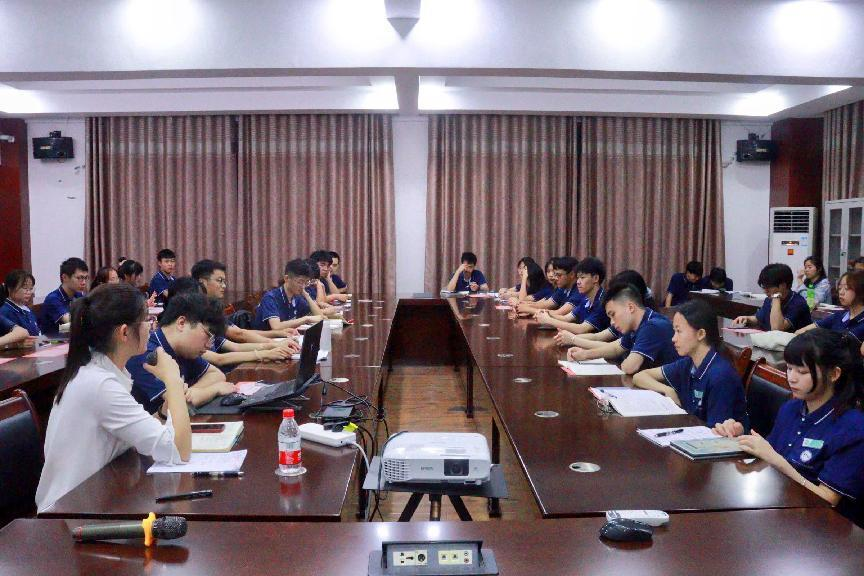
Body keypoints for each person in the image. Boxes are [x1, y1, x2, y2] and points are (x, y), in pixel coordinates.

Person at [35, 283, 191, 513]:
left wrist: (163, 411)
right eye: (146, 320)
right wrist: (173, 381)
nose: (152, 325)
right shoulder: (99, 384)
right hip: (68, 514)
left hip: (97, 498)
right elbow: (180, 452)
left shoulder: (101, 371)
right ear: (124, 332)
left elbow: (135, 433)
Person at [714, 329, 864, 516]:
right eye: (789, 368)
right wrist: (739, 437)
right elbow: (768, 457)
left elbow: (828, 500)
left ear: (834, 374)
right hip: (780, 505)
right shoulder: (791, 408)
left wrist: (776, 461)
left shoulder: (853, 428)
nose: (792, 378)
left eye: (802, 372)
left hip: (821, 523)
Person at [632, 300, 748, 427]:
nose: (673, 338)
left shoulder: (720, 376)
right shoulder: (688, 364)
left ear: (701, 334)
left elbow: (718, 432)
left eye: (679, 331)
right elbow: (640, 377)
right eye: (674, 331)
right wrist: (667, 390)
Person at [127, 292, 234, 414]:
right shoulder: (146, 353)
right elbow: (176, 406)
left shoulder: (184, 350)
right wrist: (214, 390)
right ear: (181, 323)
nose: (209, 345)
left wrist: (191, 394)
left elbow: (217, 374)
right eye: (208, 335)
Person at [167, 277, 297, 371]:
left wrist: (272, 346)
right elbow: (219, 358)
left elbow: (235, 347)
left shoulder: (206, 320)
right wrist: (265, 352)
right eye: (219, 281)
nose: (224, 285)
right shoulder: (184, 336)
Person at [566, 282, 678, 374]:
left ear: (630, 307)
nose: (612, 322)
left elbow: (629, 367)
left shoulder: (652, 326)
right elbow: (615, 348)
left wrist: (625, 360)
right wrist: (585, 354)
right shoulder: (636, 324)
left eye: (613, 314)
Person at [192, 259, 300, 343]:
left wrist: (278, 333)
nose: (224, 286)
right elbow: (238, 335)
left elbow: (242, 332)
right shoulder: (196, 309)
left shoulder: (212, 307)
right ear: (202, 282)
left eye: (224, 281)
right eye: (219, 281)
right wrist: (275, 343)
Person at [554, 270, 653, 348]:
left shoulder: (649, 325)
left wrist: (573, 339)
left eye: (582, 277)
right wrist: (568, 338)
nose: (578, 282)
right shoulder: (624, 317)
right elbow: (598, 336)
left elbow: (614, 348)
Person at [537, 257, 608, 335]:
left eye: (582, 277)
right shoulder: (586, 299)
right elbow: (566, 318)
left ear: (596, 278)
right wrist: (547, 314)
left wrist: (549, 320)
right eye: (578, 278)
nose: (578, 282)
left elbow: (582, 329)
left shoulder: (603, 301)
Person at [733, 263, 811, 332]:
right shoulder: (768, 299)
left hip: (795, 343)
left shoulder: (798, 303)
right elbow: (759, 318)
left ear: (783, 285)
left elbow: (777, 328)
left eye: (768, 287)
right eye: (764, 287)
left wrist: (776, 296)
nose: (765, 291)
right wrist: (747, 319)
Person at [253, 259, 324, 331]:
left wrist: (307, 296)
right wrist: (306, 319)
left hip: (288, 336)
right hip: (266, 337)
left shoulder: (297, 298)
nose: (303, 286)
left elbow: (321, 318)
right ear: (286, 278)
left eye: (306, 282)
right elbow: (276, 326)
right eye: (300, 282)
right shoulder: (270, 297)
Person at [796, 270, 864, 342]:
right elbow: (803, 331)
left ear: (861, 290)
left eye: (847, 288)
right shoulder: (839, 315)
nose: (841, 292)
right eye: (840, 288)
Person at [516, 257, 583, 316]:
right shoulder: (562, 289)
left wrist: (526, 309)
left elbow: (559, 313)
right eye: (555, 274)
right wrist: (521, 305)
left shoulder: (579, 291)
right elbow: (544, 304)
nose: (555, 278)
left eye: (559, 275)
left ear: (572, 274)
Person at [40, 257, 89, 334]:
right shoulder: (53, 299)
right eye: (79, 278)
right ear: (65, 277)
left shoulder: (78, 295)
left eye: (86, 278)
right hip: (51, 339)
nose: (84, 282)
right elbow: (71, 322)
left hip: (69, 336)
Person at [0, 270, 41, 336]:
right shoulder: (5, 312)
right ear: (10, 288)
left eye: (31, 289)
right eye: (25, 288)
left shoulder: (25, 308)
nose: (29, 292)